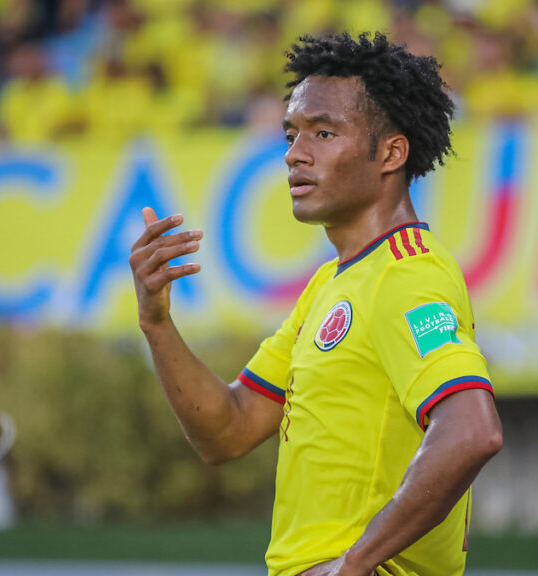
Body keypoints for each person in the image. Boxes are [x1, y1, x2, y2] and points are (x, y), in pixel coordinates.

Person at [129, 32, 503, 576]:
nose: (294, 154)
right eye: (291, 134)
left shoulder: (408, 274)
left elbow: (472, 431)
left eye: (323, 133)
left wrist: (354, 564)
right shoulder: (332, 284)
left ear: (391, 153)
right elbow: (228, 430)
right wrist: (156, 322)